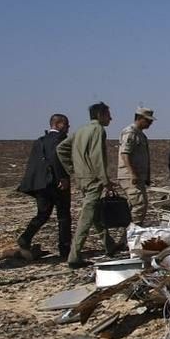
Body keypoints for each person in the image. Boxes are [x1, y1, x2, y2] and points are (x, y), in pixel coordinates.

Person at [56, 102, 118, 269]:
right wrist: (105, 181)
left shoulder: (80, 130)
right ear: (100, 115)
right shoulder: (98, 130)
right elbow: (97, 157)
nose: (111, 118)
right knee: (87, 218)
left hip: (83, 179)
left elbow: (61, 149)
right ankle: (74, 256)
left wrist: (74, 170)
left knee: (95, 213)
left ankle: (109, 245)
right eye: (108, 115)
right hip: (93, 180)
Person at [16, 114, 72, 260]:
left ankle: (25, 237)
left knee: (43, 214)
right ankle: (65, 249)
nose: (68, 128)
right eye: (66, 124)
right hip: (55, 183)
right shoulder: (60, 139)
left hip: (40, 184)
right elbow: (56, 157)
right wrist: (63, 177)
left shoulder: (40, 141)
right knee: (63, 216)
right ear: (58, 124)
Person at [118, 107, 155, 225]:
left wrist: (146, 176)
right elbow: (125, 154)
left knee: (135, 206)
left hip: (139, 177)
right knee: (139, 206)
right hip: (130, 177)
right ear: (139, 118)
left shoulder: (141, 135)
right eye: (148, 120)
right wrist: (132, 173)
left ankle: (125, 239)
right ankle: (131, 236)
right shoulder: (130, 133)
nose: (150, 123)